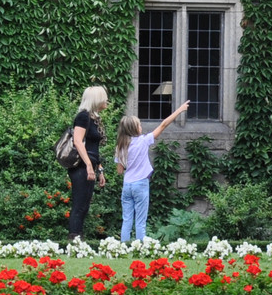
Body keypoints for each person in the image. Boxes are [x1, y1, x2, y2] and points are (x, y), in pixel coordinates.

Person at [117, 101, 189, 243]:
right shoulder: (144, 141)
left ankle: (122, 248)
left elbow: (119, 171)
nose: (141, 127)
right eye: (139, 125)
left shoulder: (121, 146)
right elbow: (163, 124)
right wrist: (179, 110)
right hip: (141, 183)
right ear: (134, 129)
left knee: (127, 220)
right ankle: (141, 248)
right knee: (140, 220)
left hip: (127, 185)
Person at [66, 85, 108, 239]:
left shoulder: (94, 118)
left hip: (90, 165)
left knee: (84, 205)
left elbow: (93, 147)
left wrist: (99, 169)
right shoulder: (83, 117)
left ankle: (78, 239)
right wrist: (89, 166)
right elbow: (77, 141)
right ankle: (74, 240)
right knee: (79, 205)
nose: (106, 101)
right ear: (96, 99)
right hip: (81, 167)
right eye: (104, 97)